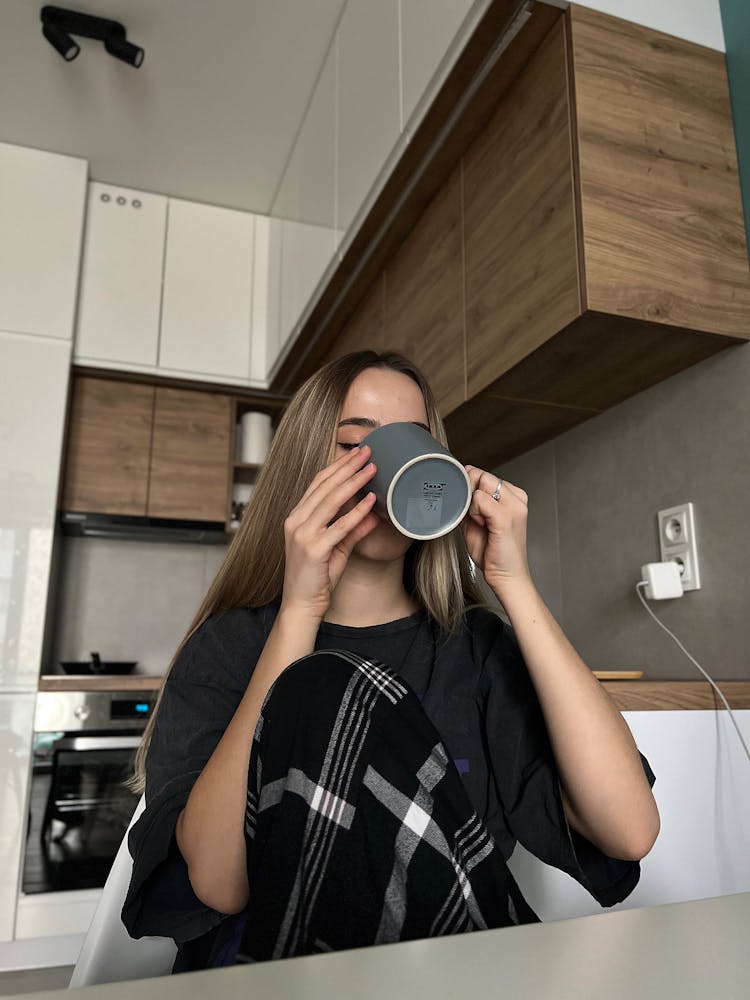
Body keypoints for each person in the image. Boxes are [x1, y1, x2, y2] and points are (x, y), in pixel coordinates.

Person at [122, 350, 659, 971]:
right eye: (356, 446)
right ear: (306, 472)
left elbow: (630, 829)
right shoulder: (229, 648)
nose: (387, 469)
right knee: (321, 688)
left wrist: (512, 580)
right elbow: (219, 882)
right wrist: (300, 609)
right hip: (279, 975)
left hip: (447, 970)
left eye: (413, 445)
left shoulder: (473, 649)